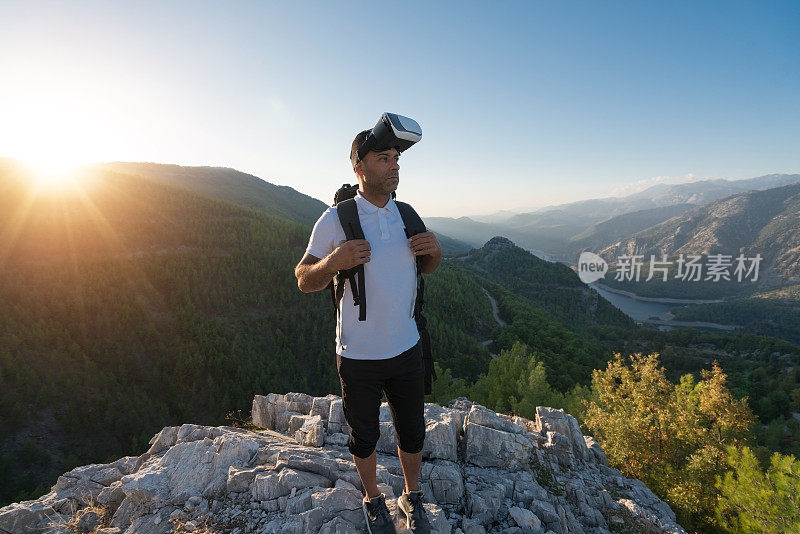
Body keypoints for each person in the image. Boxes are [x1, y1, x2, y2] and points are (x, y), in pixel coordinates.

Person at [294, 128, 442, 533]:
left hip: (407, 346)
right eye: (384, 158)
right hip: (357, 354)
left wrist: (436, 253)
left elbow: (425, 267)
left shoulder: (407, 213)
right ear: (359, 167)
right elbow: (304, 278)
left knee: (413, 431)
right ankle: (373, 500)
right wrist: (334, 261)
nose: (395, 166)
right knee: (364, 436)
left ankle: (411, 498)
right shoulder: (336, 219)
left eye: (397, 159)